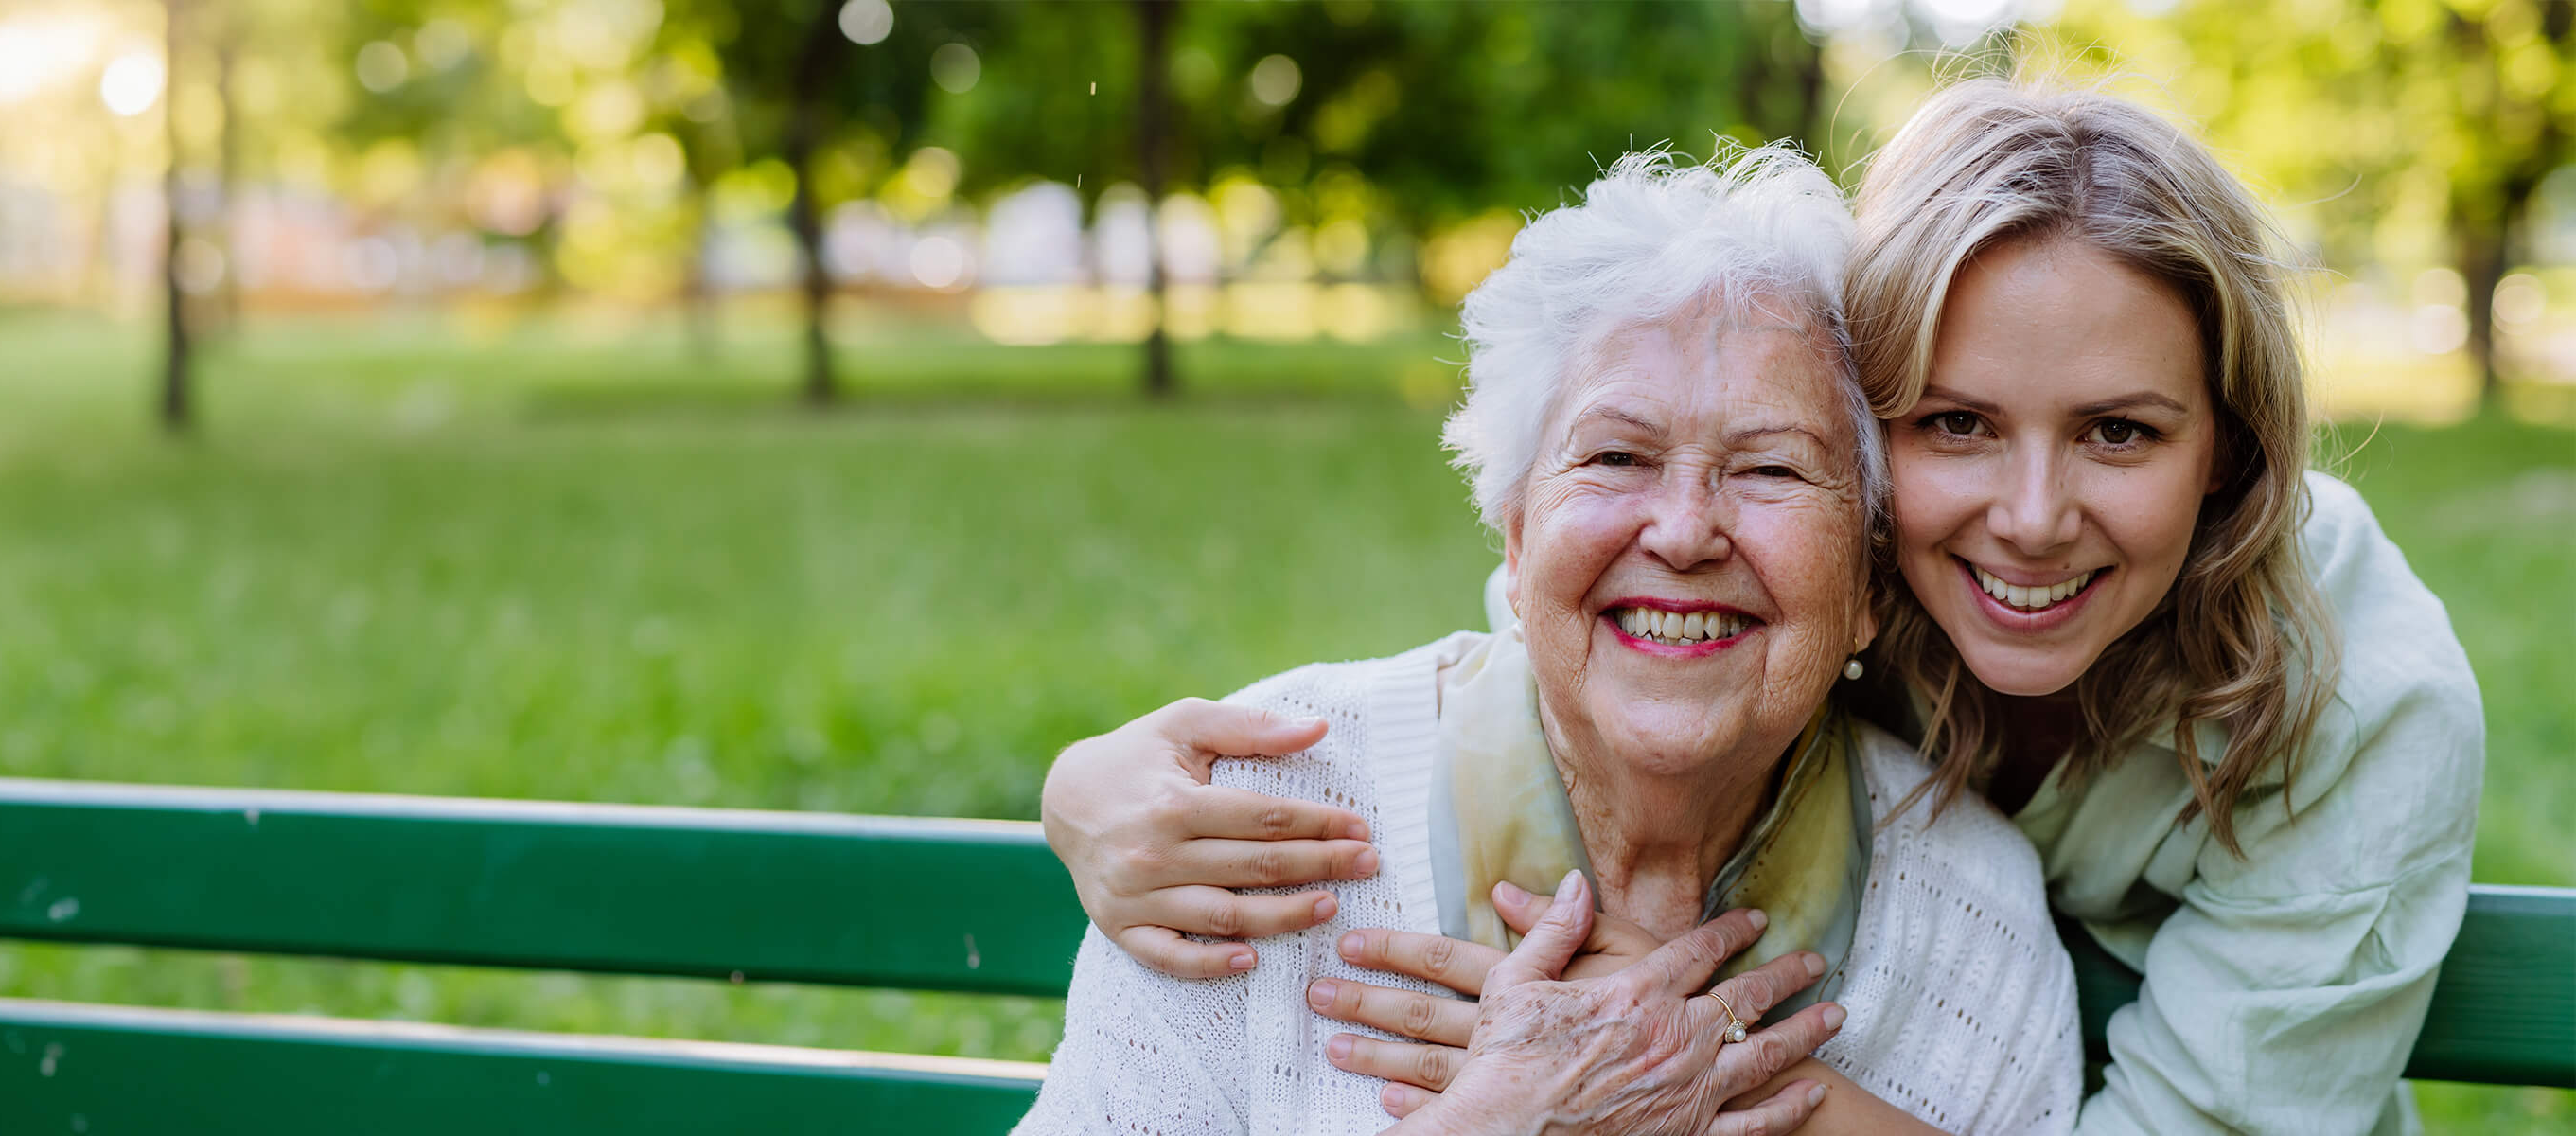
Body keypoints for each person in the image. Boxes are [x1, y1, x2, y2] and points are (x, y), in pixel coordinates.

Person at [1037, 79, 2482, 1135]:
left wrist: (1681, 1064)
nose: (2031, 517)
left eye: (2121, 431)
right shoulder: (1797, 568)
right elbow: (1611, 610)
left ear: (2227, 447)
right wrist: (1079, 789)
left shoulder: (2359, 713)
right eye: (1958, 423)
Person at [1014, 145, 2082, 1136]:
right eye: (1616, 456)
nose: (1682, 529)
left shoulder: (1968, 922)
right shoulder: (1249, 827)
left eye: (1770, 469)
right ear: (1516, 544)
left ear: (1868, 584)